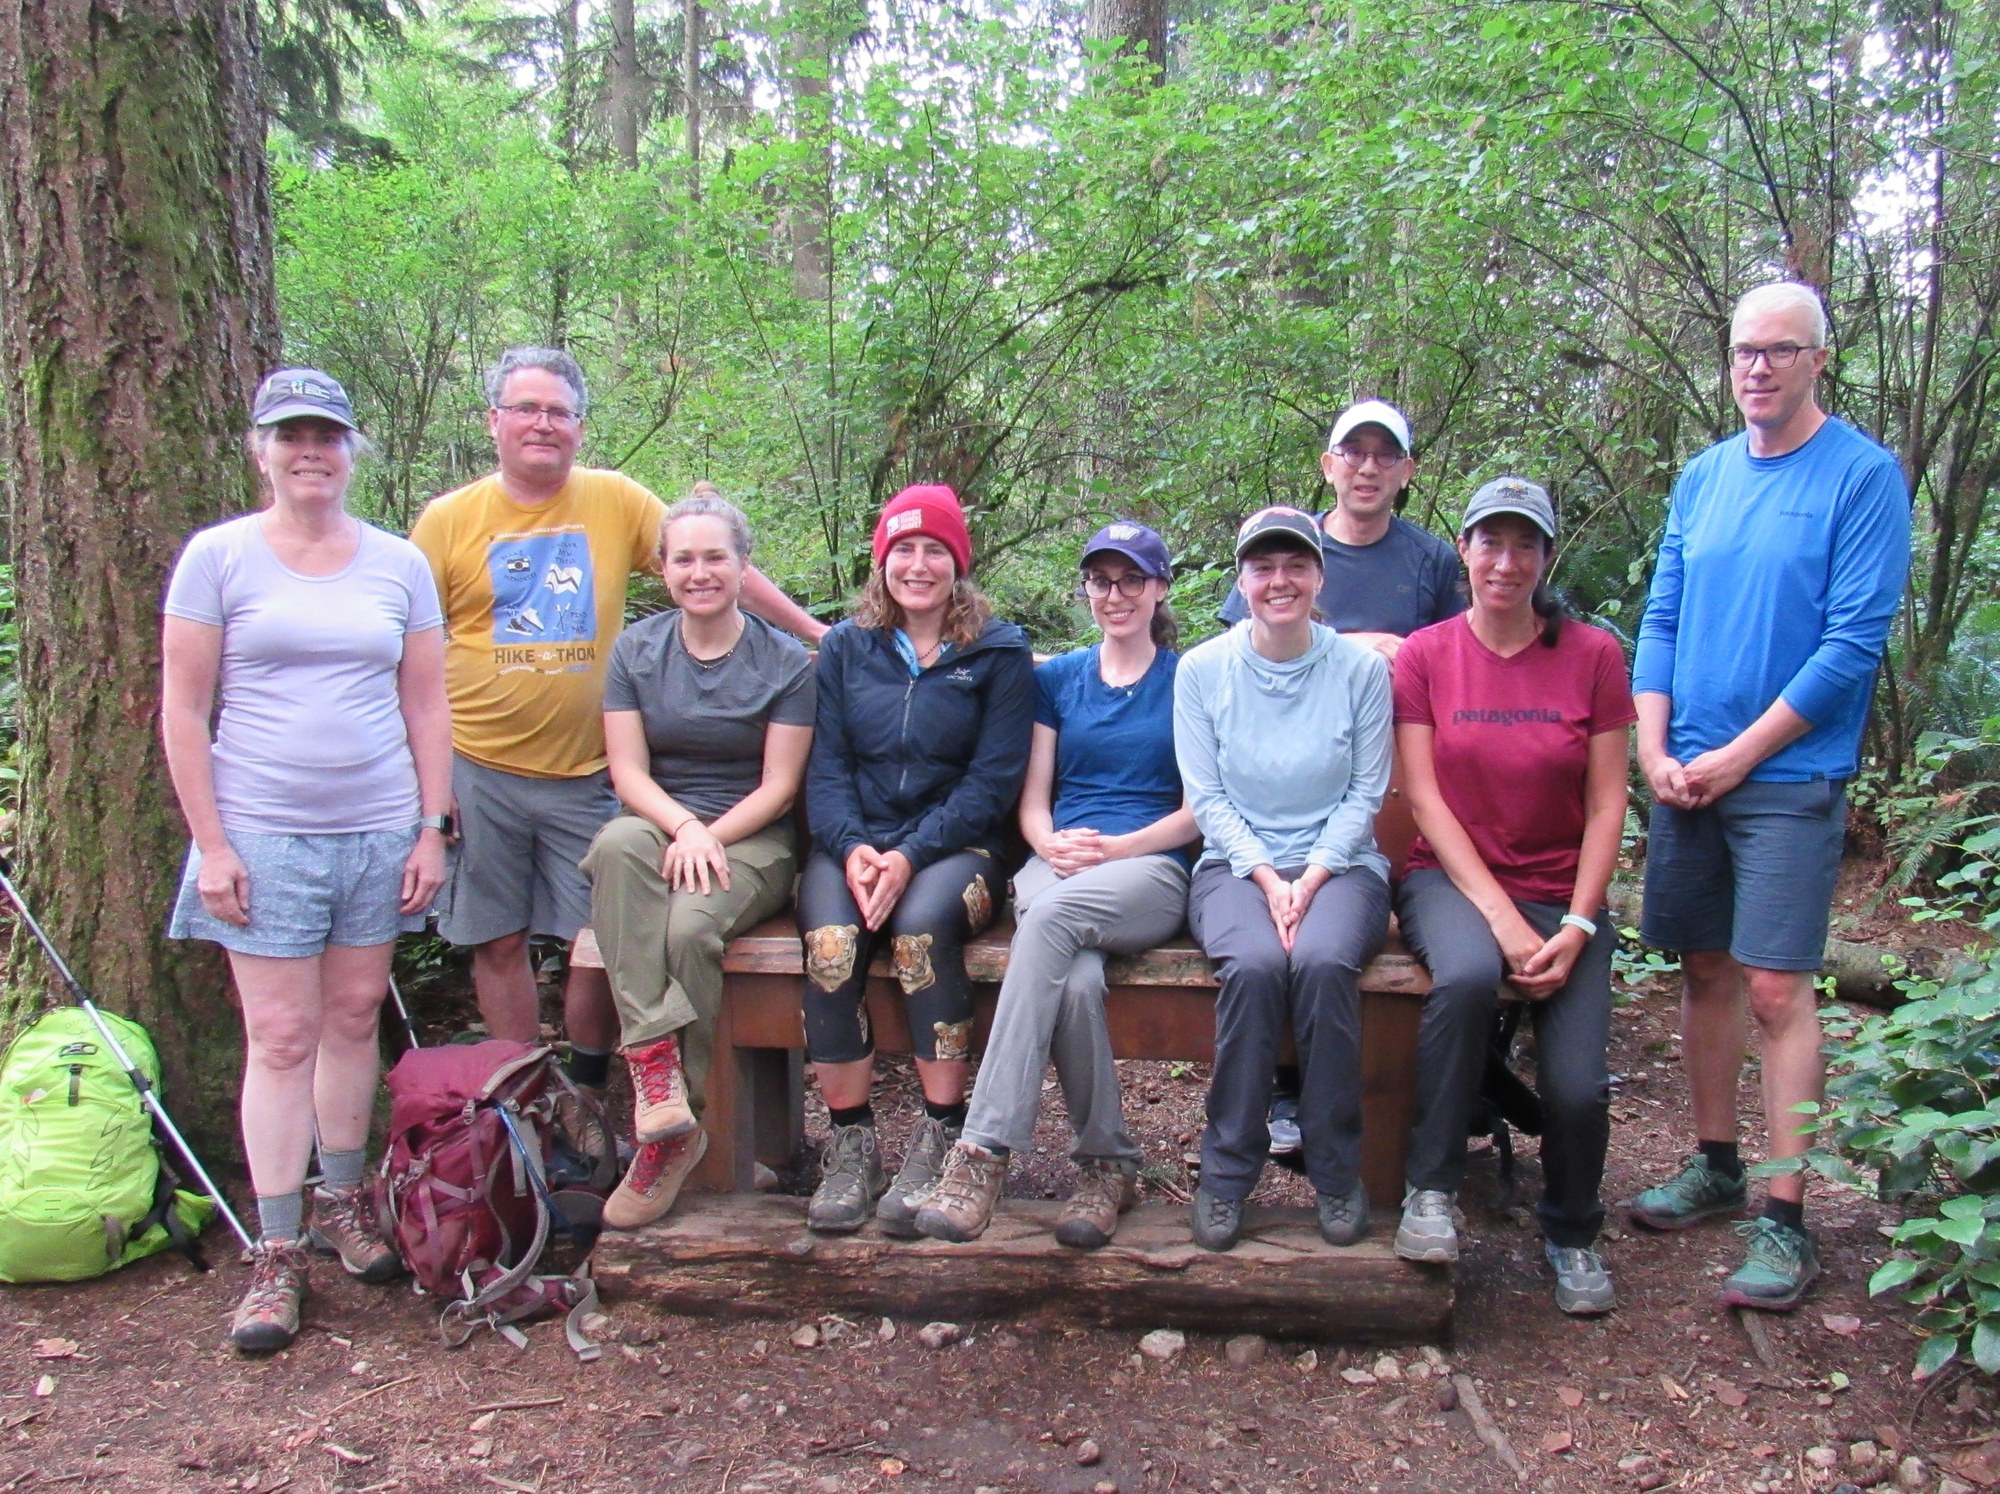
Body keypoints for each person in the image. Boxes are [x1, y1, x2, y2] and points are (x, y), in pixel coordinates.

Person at [408, 347, 825, 1108]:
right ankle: (525, 1107)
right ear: (493, 422)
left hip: (590, 773)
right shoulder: (447, 521)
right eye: (526, 409)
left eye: (559, 411)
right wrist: (431, 786)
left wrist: (815, 632)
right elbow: (407, 650)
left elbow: (708, 559)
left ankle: (593, 1089)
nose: (543, 424)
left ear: (579, 425)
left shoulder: (615, 501)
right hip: (480, 766)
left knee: (595, 946)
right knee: (497, 941)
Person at [1629, 282, 1910, 1311]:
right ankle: (1714, 1163)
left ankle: (1785, 1215)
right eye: (1744, 351)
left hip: (1786, 776)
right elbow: (1660, 615)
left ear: (1816, 361)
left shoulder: (1860, 477)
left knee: (1775, 989)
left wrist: (1740, 756)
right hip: (1686, 770)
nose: (1757, 367)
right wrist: (1652, 747)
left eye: (1779, 351)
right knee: (1702, 968)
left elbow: (1848, 646)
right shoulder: (1702, 479)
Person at [160, 368, 452, 1352]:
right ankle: (275, 1251)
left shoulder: (396, 563)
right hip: (260, 834)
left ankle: (342, 1201)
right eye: (290, 436)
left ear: (349, 449)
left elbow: (424, 704)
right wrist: (211, 843)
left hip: (375, 828)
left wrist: (429, 826)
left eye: (326, 435)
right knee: (280, 1035)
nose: (310, 452)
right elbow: (185, 709)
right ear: (261, 449)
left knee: (354, 1016)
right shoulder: (219, 559)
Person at [915, 522, 1197, 1249]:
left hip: (1149, 867)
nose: (1115, 595)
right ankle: (1108, 1166)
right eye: (1101, 581)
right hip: (1059, 863)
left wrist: (1120, 848)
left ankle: (981, 1152)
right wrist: (1043, 842)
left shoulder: (1189, 679)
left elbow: (1202, 808)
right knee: (1073, 981)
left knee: (1046, 929)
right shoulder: (1057, 679)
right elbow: (1032, 796)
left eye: (1132, 579)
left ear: (1159, 587)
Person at [1391, 477, 1634, 1314]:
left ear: (1546, 557)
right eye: (1489, 542)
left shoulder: (1594, 655)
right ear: (1463, 550)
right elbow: (1423, 797)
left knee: (1575, 1087)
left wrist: (1575, 921)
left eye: (1524, 544)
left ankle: (1571, 1231)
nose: (1506, 561)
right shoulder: (1427, 654)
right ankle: (1431, 1190)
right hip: (1449, 882)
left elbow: (1609, 801)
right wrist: (1496, 915)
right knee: (1460, 978)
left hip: (1562, 896)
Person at [1219, 399, 1462, 1157]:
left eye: (1384, 455)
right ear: (1327, 464)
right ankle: (1285, 1093)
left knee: (1344, 936)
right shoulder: (1290, 548)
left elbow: (1460, 655)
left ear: (1406, 474)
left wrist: (1407, 657)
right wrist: (1358, 642)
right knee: (1275, 937)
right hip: (1284, 777)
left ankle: (1398, 1091)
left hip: (1391, 776)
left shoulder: (1432, 560)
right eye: (1351, 453)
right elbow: (1241, 643)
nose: (1366, 467)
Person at [796, 484, 1035, 1236]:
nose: (919, 564)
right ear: (883, 561)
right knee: (831, 943)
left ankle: (941, 1133)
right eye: (904, 549)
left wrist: (908, 854)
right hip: (855, 842)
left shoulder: (998, 651)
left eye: (936, 549)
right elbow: (825, 770)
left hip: (961, 847)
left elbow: (993, 782)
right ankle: (851, 1143)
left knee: (922, 931)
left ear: (958, 563)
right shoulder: (844, 649)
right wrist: (856, 848)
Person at [579, 490, 815, 1230]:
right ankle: (656, 1082)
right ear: (663, 567)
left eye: (716, 556)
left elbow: (780, 787)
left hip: (755, 837)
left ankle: (680, 1129)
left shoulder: (786, 662)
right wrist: (684, 826)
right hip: (660, 823)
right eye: (684, 558)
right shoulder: (637, 652)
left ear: (744, 567)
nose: (700, 571)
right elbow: (627, 772)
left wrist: (712, 835)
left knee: (687, 931)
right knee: (616, 843)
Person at [1175, 506, 1394, 1252]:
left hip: (1344, 869)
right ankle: (1227, 1174)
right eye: (1263, 567)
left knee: (1325, 961)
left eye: (1295, 565)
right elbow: (1207, 799)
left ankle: (1337, 1173)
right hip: (1237, 868)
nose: (1280, 581)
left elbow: (1367, 794)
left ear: (1319, 575)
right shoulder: (1203, 670)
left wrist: (1315, 875)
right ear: (1241, 580)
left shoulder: (1360, 671)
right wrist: (1271, 880)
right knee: (1259, 964)